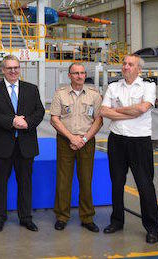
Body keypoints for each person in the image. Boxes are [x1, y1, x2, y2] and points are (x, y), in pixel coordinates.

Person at [100, 54, 158, 244]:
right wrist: (130, 112)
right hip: (117, 140)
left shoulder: (148, 86)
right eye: (124, 63)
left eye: (130, 64)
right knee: (116, 183)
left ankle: (152, 228)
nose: (126, 67)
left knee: (145, 185)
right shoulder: (113, 86)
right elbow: (103, 111)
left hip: (139, 141)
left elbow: (142, 109)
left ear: (139, 69)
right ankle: (117, 221)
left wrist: (116, 111)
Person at [0, 54, 44, 232]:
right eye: (9, 68)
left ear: (19, 69)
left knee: (25, 183)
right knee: (0, 183)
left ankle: (25, 218)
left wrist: (27, 122)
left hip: (26, 145)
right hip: (1, 145)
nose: (13, 71)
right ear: (3, 70)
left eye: (16, 67)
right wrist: (12, 121)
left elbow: (39, 112)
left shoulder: (31, 89)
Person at [49, 62, 103, 233]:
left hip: (87, 141)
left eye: (82, 73)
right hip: (65, 141)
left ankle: (87, 217)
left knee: (86, 180)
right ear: (69, 76)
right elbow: (54, 119)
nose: (79, 76)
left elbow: (98, 120)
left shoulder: (94, 95)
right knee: (63, 180)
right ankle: (62, 216)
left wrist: (84, 139)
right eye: (75, 73)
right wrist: (72, 137)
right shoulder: (60, 94)